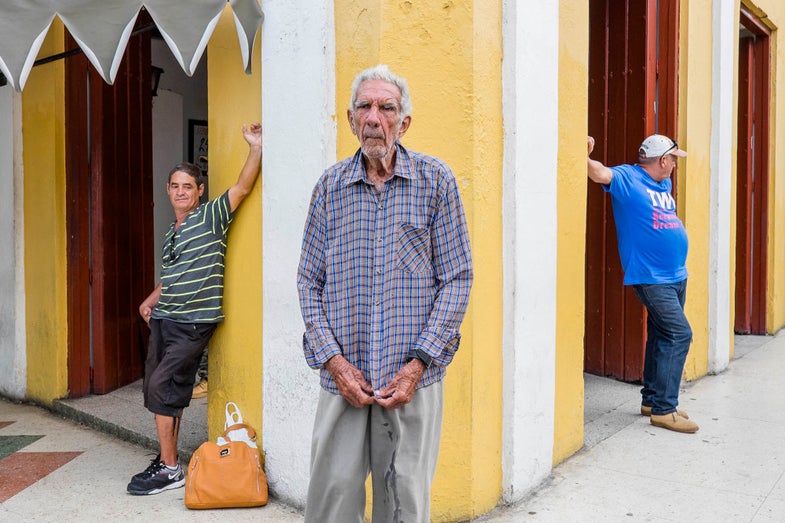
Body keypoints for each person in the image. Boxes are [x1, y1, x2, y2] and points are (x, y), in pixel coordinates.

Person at [297, 64, 473, 522]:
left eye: (386, 107)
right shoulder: (329, 188)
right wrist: (334, 362)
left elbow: (457, 278)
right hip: (344, 378)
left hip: (410, 381)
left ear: (404, 121)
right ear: (352, 119)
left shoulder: (436, 182)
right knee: (332, 496)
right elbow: (308, 282)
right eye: (364, 107)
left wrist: (418, 365)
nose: (374, 117)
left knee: (404, 501)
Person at [127, 122, 262, 495]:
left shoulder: (211, 216)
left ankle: (170, 470)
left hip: (193, 321)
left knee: (161, 385)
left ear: (199, 191)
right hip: (165, 316)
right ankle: (166, 460)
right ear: (168, 190)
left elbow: (243, 186)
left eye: (188, 186)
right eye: (175, 186)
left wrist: (255, 147)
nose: (181, 191)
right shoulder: (172, 230)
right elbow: (170, 276)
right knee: (170, 390)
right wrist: (149, 301)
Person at [587, 133, 699, 434]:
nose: (675, 165)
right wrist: (583, 153)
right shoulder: (628, 178)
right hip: (651, 277)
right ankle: (664, 410)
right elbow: (599, 172)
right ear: (663, 160)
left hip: (676, 274)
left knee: (662, 335)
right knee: (679, 334)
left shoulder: (664, 183)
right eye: (673, 159)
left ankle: (652, 400)